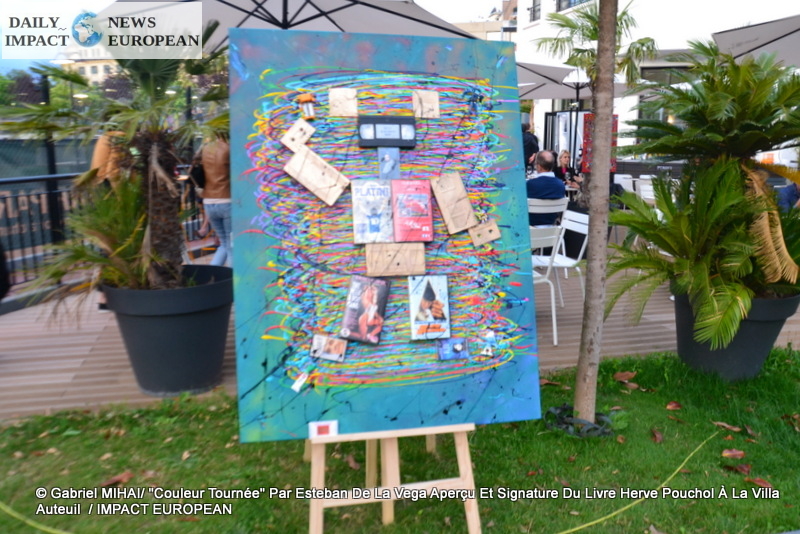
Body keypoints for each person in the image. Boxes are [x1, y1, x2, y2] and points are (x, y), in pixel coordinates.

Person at [199, 134, 232, 267]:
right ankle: (232, 276)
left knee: (224, 243)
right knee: (231, 245)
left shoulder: (206, 149)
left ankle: (213, 271)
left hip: (208, 201)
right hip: (226, 199)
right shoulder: (229, 149)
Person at [527, 150, 566, 226]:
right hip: (552, 229)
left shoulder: (530, 184)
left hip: (530, 228)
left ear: (538, 166)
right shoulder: (560, 185)